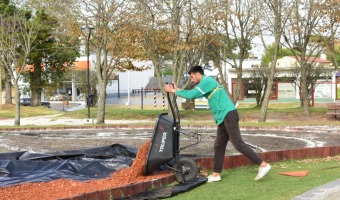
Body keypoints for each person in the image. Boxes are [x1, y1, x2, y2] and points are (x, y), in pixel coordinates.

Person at [164, 65, 271, 183]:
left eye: (192, 76)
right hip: (222, 117)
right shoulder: (205, 83)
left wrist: (173, 91)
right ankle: (216, 174)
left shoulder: (207, 81)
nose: (191, 79)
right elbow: (191, 93)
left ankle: (263, 165)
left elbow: (192, 95)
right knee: (219, 145)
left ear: (198, 74)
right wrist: (178, 89)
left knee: (238, 143)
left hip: (228, 114)